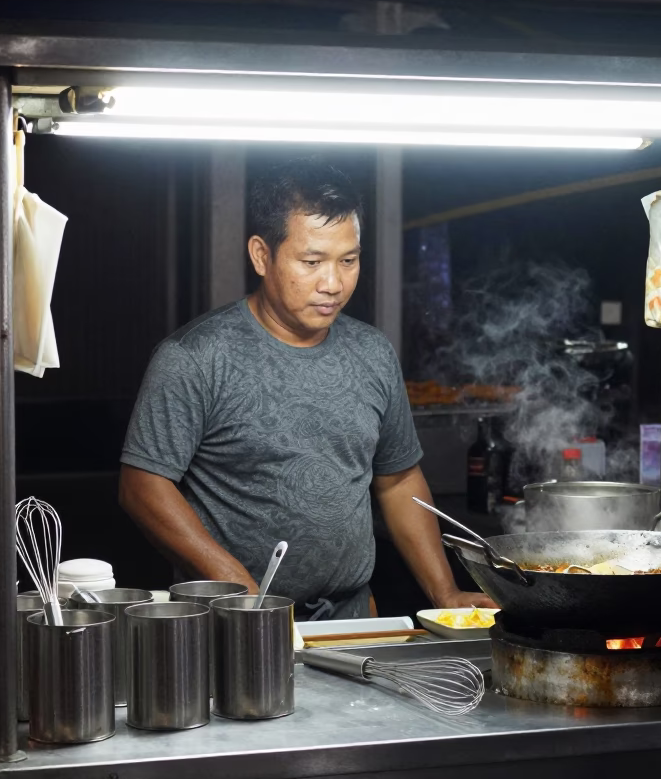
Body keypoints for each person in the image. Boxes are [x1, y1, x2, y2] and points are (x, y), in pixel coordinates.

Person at [119, 157, 493, 619]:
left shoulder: (372, 352)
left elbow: (398, 480)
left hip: (350, 619)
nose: (333, 283)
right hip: (235, 621)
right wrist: (239, 587)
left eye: (348, 261)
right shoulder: (194, 357)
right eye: (312, 262)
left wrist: (445, 593)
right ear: (262, 255)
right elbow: (143, 487)